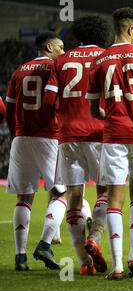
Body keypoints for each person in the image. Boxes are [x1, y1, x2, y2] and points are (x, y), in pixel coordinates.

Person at [86, 7, 133, 280]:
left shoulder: (99, 61)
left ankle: (116, 265)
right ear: (130, 29)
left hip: (113, 136)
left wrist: (110, 116)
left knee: (113, 200)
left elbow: (94, 110)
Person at [43, 15, 112, 275]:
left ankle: (84, 263)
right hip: (99, 134)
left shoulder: (60, 61)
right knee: (105, 192)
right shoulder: (107, 57)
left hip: (69, 135)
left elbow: (49, 101)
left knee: (74, 198)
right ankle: (95, 235)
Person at [5, 31, 67, 271]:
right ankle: (44, 244)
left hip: (21, 138)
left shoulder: (18, 71)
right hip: (49, 136)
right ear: (49, 47)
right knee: (60, 194)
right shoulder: (57, 69)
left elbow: (9, 109)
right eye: (60, 47)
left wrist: (15, 133)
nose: (63, 52)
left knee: (24, 198)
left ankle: (20, 257)